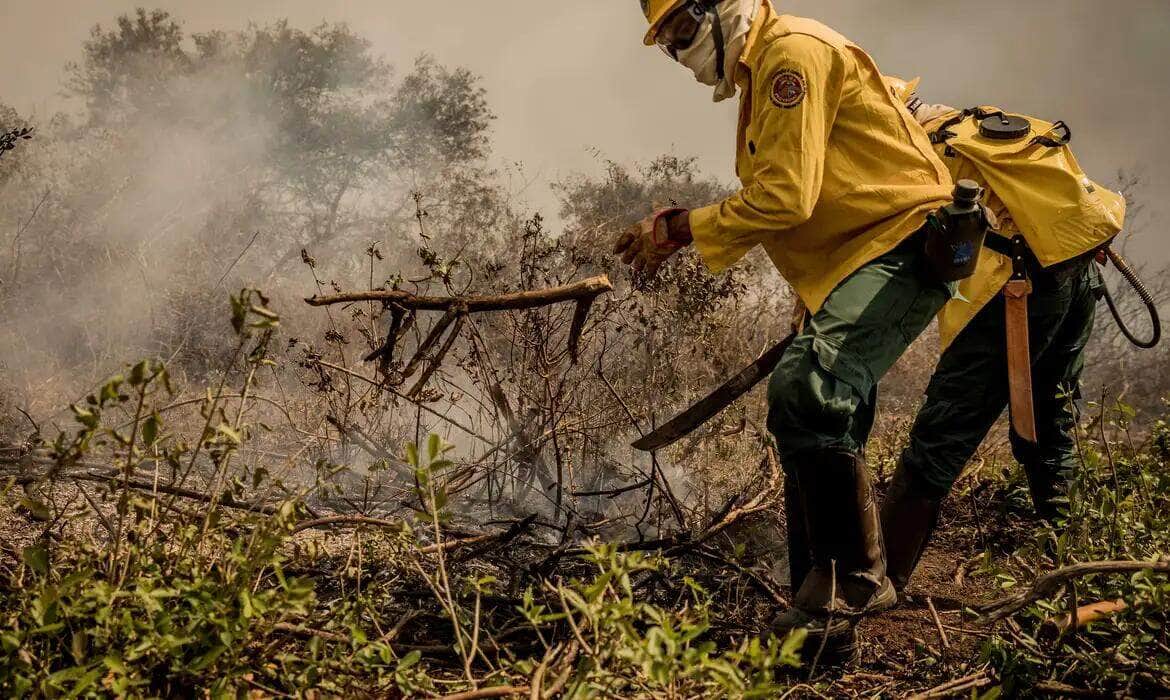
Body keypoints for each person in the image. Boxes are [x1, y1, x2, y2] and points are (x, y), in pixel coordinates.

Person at [616, 0, 958, 660]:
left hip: (906, 242)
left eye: (683, 33)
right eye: (669, 44)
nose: (681, 53)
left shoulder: (788, 56)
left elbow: (786, 197)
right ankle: (818, 616)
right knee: (827, 407)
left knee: (806, 389)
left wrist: (682, 228)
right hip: (862, 255)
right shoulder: (761, 68)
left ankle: (850, 582)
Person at [878, 77, 1124, 595]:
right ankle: (1077, 561)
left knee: (942, 431)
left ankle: (876, 583)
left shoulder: (913, 151)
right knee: (1047, 420)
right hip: (1074, 278)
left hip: (1017, 293)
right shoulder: (969, 122)